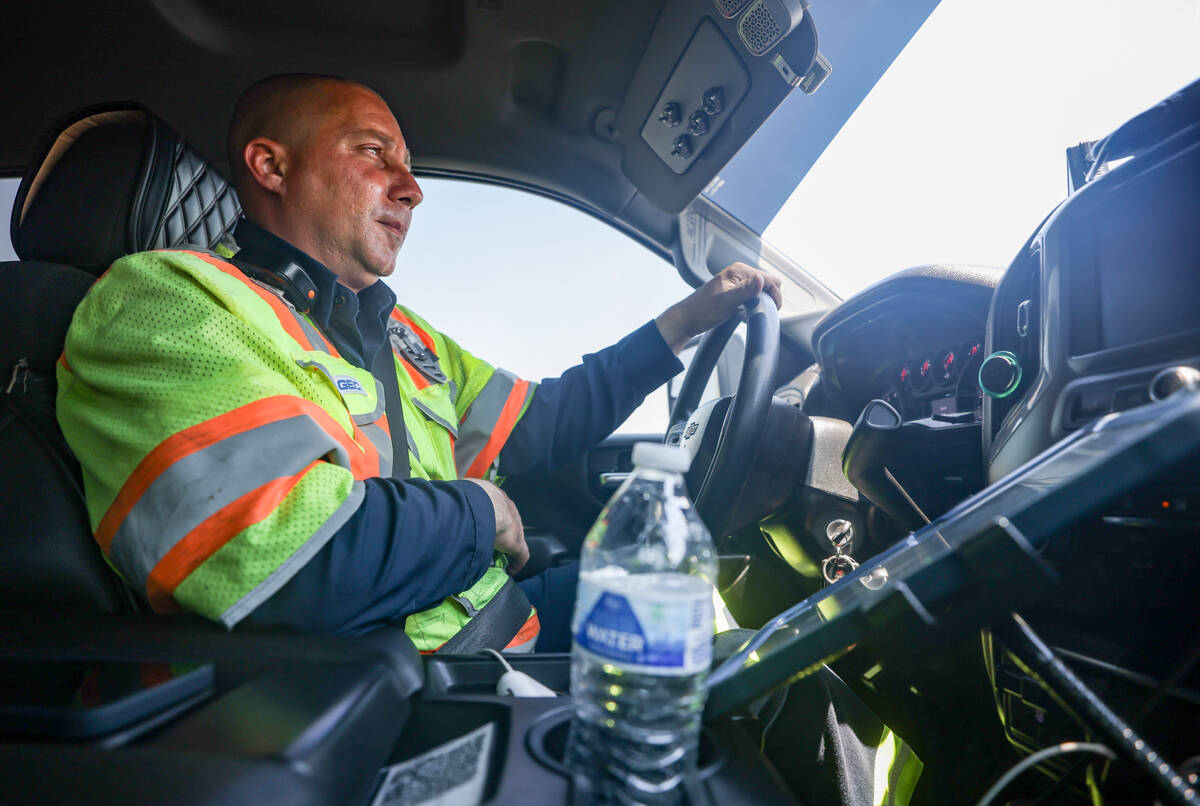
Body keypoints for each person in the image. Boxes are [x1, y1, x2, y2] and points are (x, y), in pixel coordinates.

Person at [56, 74, 782, 653]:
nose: (411, 186)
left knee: (722, 619)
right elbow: (283, 559)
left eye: (406, 163)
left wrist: (689, 321)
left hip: (498, 626)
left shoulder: (399, 332)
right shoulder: (168, 300)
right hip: (402, 680)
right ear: (272, 166)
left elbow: (541, 420)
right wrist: (483, 511)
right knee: (751, 684)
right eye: (374, 153)